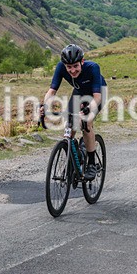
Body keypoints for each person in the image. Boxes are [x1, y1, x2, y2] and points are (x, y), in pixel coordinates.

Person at [39, 44, 106, 181]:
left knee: (86, 122)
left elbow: (97, 98)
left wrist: (88, 109)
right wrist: (45, 106)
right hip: (79, 93)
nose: (73, 70)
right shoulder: (60, 67)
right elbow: (52, 91)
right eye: (69, 67)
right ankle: (75, 154)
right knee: (70, 125)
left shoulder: (93, 67)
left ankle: (92, 163)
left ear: (82, 62)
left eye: (76, 66)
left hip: (97, 94)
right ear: (64, 65)